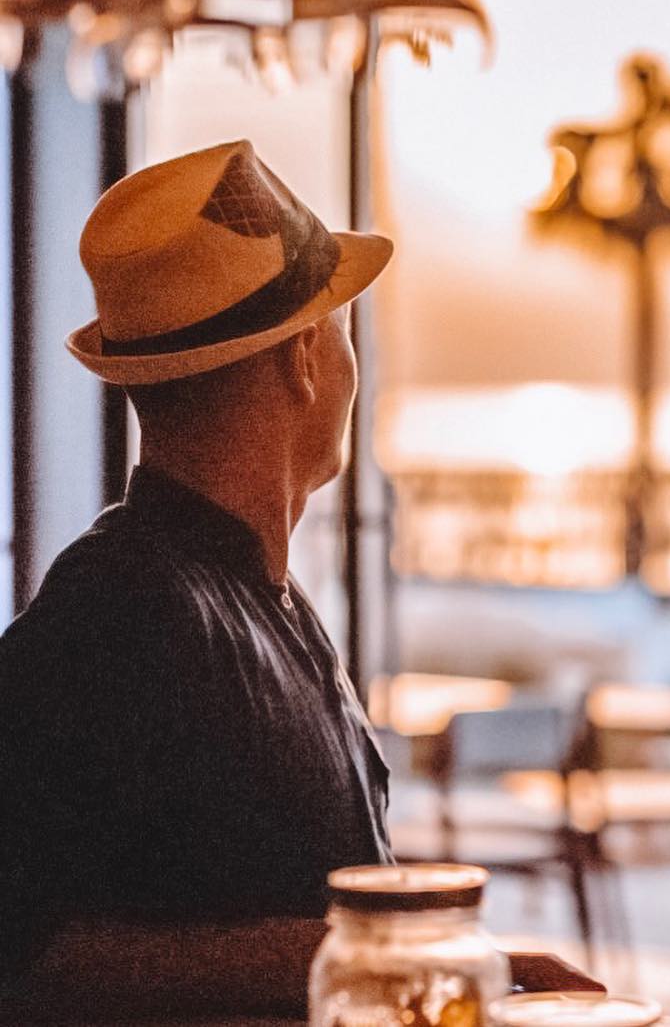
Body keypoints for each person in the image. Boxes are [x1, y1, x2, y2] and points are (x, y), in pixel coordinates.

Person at [0, 140, 597, 1021]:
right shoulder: (121, 606)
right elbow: (31, 951)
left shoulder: (242, 594)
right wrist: (395, 959)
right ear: (307, 358)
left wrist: (471, 966)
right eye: (343, 326)